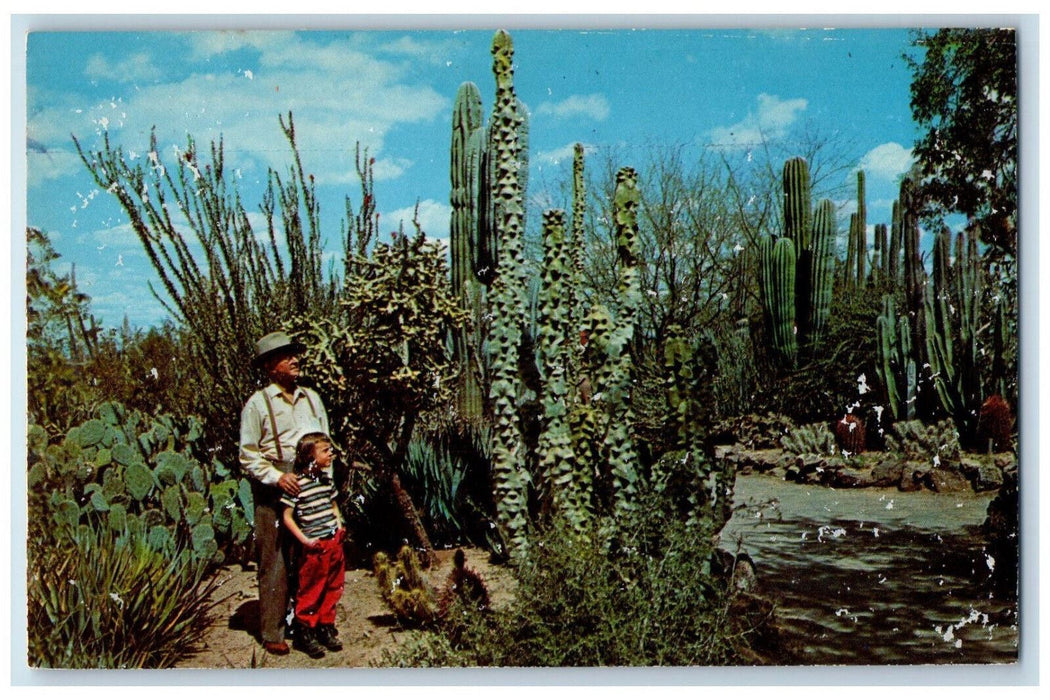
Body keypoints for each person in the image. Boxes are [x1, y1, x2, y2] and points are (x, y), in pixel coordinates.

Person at [239, 331, 329, 655]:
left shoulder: (312, 399)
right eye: (285, 355)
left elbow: (324, 443)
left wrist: (325, 489)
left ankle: (310, 624)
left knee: (311, 555)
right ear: (269, 366)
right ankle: (273, 630)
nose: (295, 360)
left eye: (295, 354)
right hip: (272, 486)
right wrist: (278, 478)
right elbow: (248, 454)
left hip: (309, 483)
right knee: (274, 558)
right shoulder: (257, 404)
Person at [281, 432, 346, 658]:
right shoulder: (297, 485)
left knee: (333, 586)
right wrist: (305, 540)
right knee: (311, 589)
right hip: (314, 547)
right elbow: (287, 516)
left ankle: (325, 627)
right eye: (325, 451)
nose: (331, 454)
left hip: (333, 542)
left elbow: (333, 505)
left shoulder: (326, 481)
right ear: (310, 456)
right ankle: (304, 632)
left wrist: (338, 526)